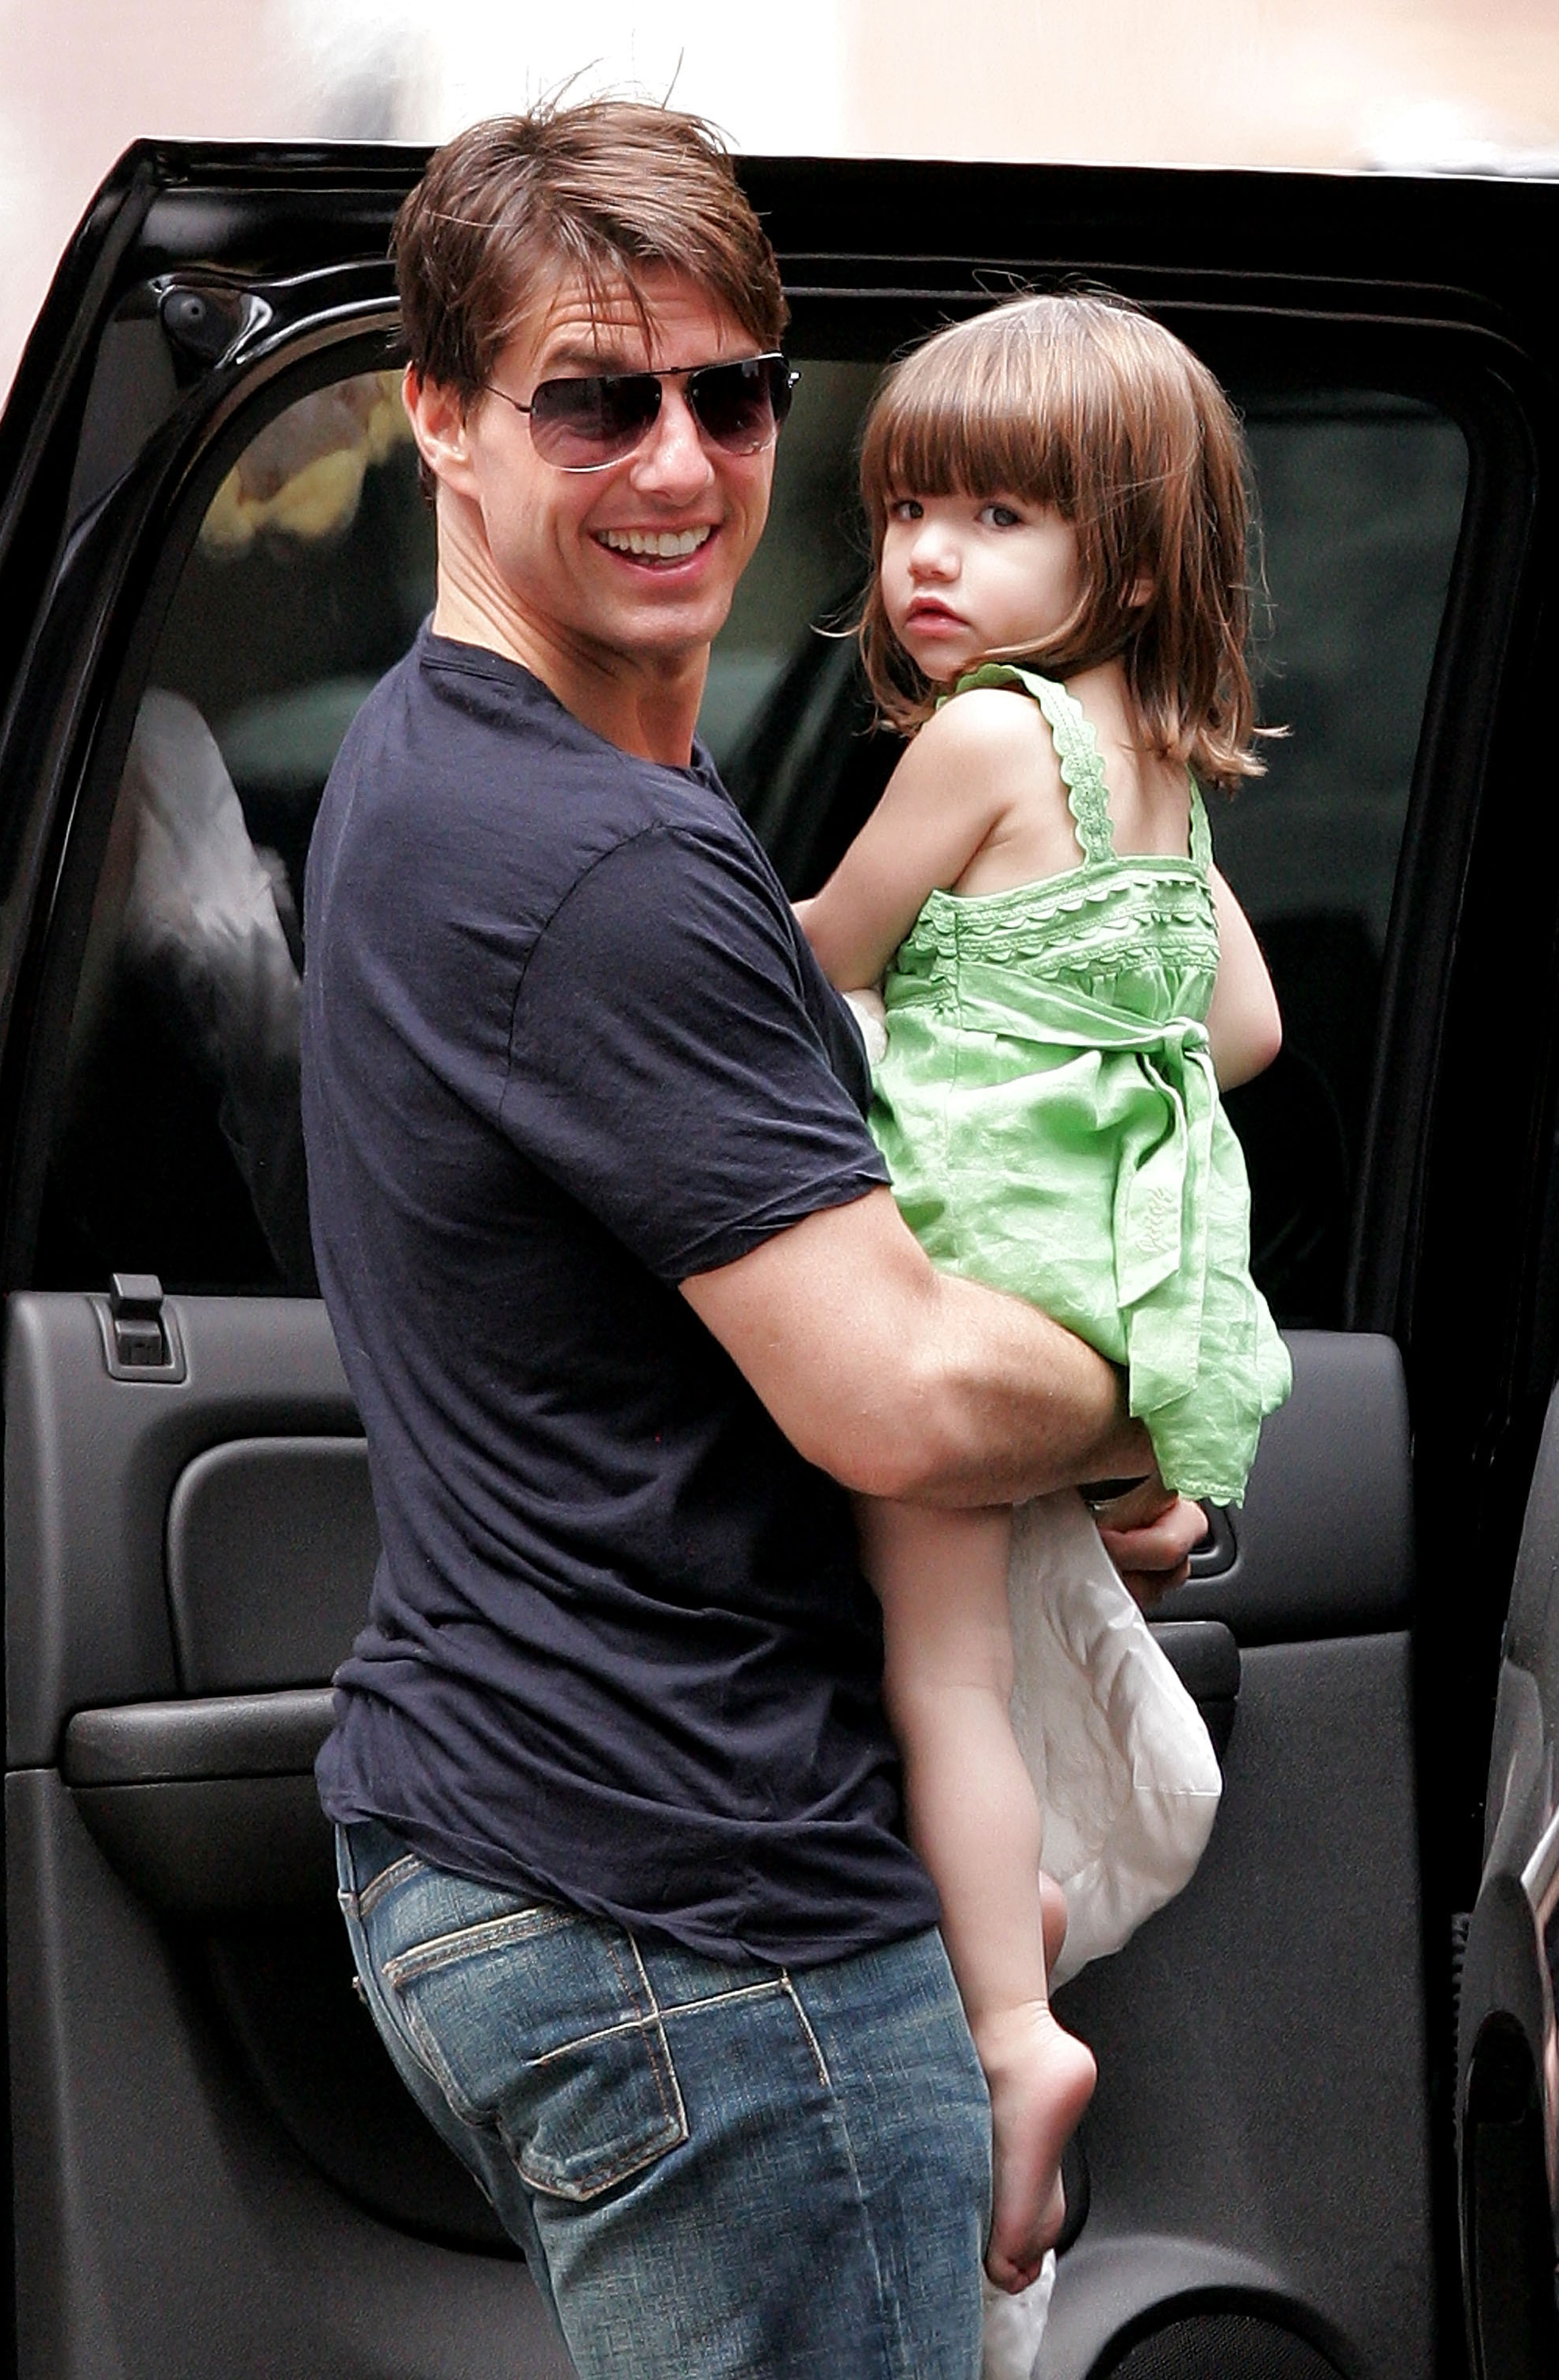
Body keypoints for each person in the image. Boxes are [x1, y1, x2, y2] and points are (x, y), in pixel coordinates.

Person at [301, 102, 1204, 2380]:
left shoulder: (439, 767)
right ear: (437, 414)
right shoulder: (599, 859)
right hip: (700, 1920)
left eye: (728, 395)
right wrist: (1153, 1371)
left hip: (521, 1849)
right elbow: (889, 1389)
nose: (680, 463)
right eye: (596, 399)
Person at [799, 294, 1293, 2296]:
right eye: (908, 506)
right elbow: (1242, 1026)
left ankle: (1011, 2034)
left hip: (963, 1266)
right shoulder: (1149, 756)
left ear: (1134, 551)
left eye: (996, 515)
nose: (928, 556)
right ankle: (1024, 1969)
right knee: (1004, 1638)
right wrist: (1098, 1055)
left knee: (942, 1676)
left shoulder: (988, 736)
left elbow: (823, 946)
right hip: (1097, 1281)